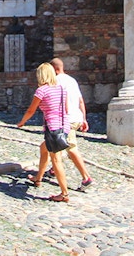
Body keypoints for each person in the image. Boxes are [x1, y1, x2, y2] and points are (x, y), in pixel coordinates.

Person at [17, 62, 70, 202]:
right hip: (64, 126)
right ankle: (38, 178)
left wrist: (22, 122)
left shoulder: (42, 91)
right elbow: (66, 109)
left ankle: (64, 194)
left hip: (53, 129)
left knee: (56, 160)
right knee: (43, 148)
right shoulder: (62, 89)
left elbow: (31, 110)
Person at [49, 58, 93, 190]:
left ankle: (86, 178)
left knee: (71, 148)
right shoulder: (72, 80)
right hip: (76, 117)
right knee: (52, 145)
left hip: (66, 119)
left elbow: (59, 102)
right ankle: (53, 169)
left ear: (55, 69)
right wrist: (84, 118)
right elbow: (80, 100)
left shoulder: (56, 81)